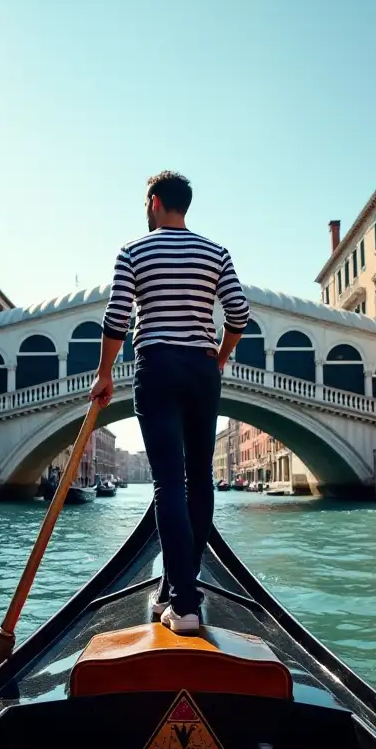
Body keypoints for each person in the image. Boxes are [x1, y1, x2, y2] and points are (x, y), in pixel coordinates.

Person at [90, 171, 250, 635]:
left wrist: (104, 375)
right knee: (199, 478)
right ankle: (186, 586)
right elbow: (238, 314)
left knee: (168, 482)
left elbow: (117, 317)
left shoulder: (134, 251)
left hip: (156, 366)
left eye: (146, 203)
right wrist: (218, 358)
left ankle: (181, 600)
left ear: (155, 202)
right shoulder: (215, 252)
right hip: (201, 370)